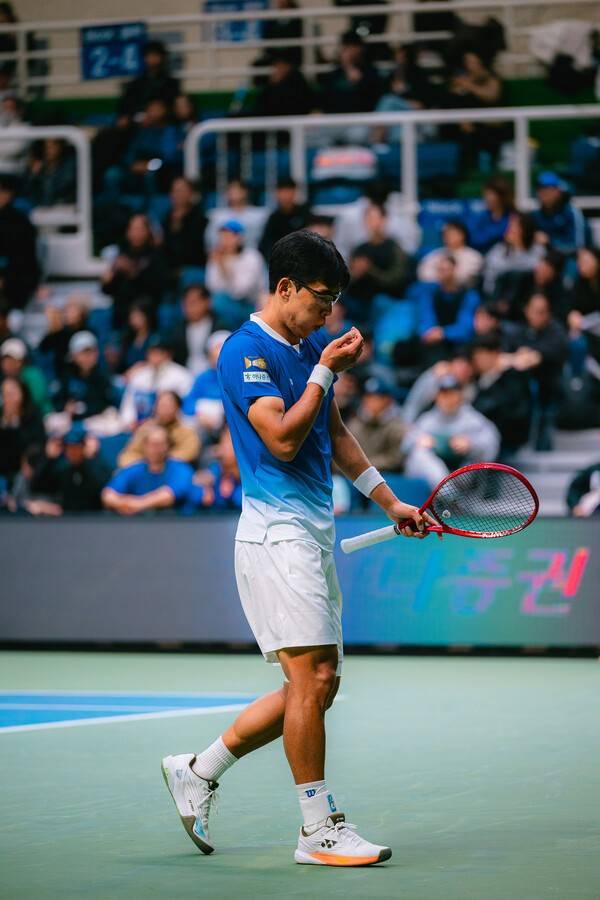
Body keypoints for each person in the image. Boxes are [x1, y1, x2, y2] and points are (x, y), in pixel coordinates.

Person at [160, 230, 433, 867]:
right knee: (310, 679)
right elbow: (282, 440)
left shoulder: (311, 346)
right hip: (274, 535)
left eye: (336, 300)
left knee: (320, 683)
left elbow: (333, 433)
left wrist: (389, 500)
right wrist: (323, 370)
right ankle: (318, 828)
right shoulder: (243, 351)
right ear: (284, 288)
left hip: (314, 530)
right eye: (320, 297)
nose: (328, 313)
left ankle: (199, 770)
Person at [403, 374, 500, 488]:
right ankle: (447, 492)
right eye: (444, 394)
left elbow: (493, 446)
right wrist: (418, 441)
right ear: (437, 397)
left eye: (452, 394)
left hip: (462, 475)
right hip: (431, 475)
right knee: (419, 453)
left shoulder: (473, 419)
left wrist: (471, 444)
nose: (447, 399)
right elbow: (404, 445)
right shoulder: (427, 419)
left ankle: (446, 492)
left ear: (460, 396)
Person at [512, 292, 569, 451]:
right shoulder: (521, 330)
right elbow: (512, 350)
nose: (539, 316)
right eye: (535, 311)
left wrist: (536, 355)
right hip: (522, 387)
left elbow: (558, 350)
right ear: (527, 311)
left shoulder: (556, 330)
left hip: (549, 386)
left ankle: (542, 441)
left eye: (543, 311)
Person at [102, 424, 193, 515]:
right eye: (152, 444)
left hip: (175, 522)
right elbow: (108, 494)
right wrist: (124, 503)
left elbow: (169, 496)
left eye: (160, 444)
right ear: (144, 446)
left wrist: (138, 504)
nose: (156, 449)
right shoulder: (135, 469)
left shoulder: (180, 469)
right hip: (138, 525)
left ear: (168, 446)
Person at [101, 213, 170, 328]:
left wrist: (133, 272)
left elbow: (159, 287)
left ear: (148, 231)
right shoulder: (122, 255)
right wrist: (107, 280)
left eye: (139, 228)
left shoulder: (157, 255)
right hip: (121, 314)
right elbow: (107, 290)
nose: (135, 232)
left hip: (146, 313)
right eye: (132, 228)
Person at [345, 204, 411, 322]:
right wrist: (355, 274)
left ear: (384, 220)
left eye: (376, 218)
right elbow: (346, 282)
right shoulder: (359, 248)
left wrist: (369, 270)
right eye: (369, 218)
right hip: (359, 299)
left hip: (386, 300)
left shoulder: (394, 248)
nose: (372, 222)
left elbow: (396, 281)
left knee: (379, 302)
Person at [469, 334, 531, 455]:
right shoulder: (480, 379)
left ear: (495, 354)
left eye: (480, 355)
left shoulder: (512, 377)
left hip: (506, 438)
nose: (477, 360)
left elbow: (515, 413)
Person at [413, 255, 480, 366]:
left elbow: (466, 327)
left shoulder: (468, 295)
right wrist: (429, 332)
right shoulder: (430, 292)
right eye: (439, 270)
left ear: (454, 270)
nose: (442, 273)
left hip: (456, 343)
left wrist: (444, 333)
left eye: (445, 270)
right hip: (432, 340)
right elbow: (425, 317)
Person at [32, 424, 111, 513]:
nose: (73, 452)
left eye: (76, 448)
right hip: (67, 518)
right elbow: (38, 486)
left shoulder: (93, 466)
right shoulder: (62, 469)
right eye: (69, 448)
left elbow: (105, 486)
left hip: (93, 517)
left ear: (83, 448)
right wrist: (48, 459)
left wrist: (94, 457)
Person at [333, 183, 422, 262]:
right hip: (355, 266)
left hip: (390, 265)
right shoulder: (349, 216)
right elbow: (340, 248)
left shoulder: (400, 216)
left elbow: (410, 248)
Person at [119, 335, 192, 428]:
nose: (155, 357)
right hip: (139, 427)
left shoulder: (182, 376)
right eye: (152, 352)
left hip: (171, 426)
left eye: (160, 353)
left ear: (169, 354)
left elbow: (186, 409)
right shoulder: (139, 376)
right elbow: (128, 405)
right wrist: (129, 422)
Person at [205, 221, 266, 330]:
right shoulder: (217, 257)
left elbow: (241, 292)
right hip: (228, 305)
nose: (225, 241)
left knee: (220, 301)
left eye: (229, 237)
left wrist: (223, 267)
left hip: (253, 305)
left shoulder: (252, 256)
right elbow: (211, 286)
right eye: (222, 237)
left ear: (240, 238)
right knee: (216, 301)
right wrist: (219, 264)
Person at [118, 390, 200, 468]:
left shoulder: (186, 431)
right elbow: (128, 455)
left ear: (177, 408)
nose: (164, 410)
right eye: (161, 405)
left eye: (168, 406)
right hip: (144, 472)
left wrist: (159, 461)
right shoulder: (146, 428)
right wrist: (145, 464)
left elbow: (188, 452)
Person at [482, 212, 545, 307]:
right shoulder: (499, 249)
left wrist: (519, 249)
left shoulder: (538, 249)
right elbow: (491, 274)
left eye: (514, 226)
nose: (509, 229)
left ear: (525, 228)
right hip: (496, 297)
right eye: (509, 226)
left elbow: (537, 271)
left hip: (525, 299)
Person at [347, 377, 406, 472]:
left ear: (388, 400)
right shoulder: (354, 424)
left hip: (388, 475)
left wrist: (366, 465)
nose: (371, 402)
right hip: (356, 474)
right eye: (368, 397)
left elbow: (395, 459)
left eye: (377, 398)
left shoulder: (397, 426)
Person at [54, 331, 114, 420]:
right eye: (84, 353)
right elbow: (57, 400)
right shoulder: (66, 375)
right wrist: (65, 406)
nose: (88, 357)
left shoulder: (102, 376)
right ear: (74, 355)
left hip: (95, 420)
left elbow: (104, 403)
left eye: (91, 352)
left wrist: (82, 409)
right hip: (69, 419)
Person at [0, 174, 39, 309]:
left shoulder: (20, 223)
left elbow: (25, 260)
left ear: (8, 194)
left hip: (15, 281)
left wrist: (5, 279)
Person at [182, 330, 231, 436]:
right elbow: (187, 404)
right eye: (214, 352)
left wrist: (218, 413)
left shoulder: (237, 377)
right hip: (202, 424)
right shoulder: (203, 378)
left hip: (228, 426)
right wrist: (200, 414)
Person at [320, 31, 382, 115]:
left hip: (361, 119)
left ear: (360, 48)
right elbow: (325, 100)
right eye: (345, 47)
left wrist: (356, 76)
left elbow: (372, 99)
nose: (349, 51)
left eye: (352, 47)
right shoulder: (334, 75)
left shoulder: (370, 72)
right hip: (335, 119)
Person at [0, 376, 45, 487]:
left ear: (22, 393)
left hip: (26, 466)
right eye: (4, 394)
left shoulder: (33, 414)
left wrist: (15, 422)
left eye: (11, 393)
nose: (7, 398)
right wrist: (6, 422)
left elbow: (37, 442)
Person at [532, 172, 590, 257]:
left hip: (572, 260)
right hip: (548, 260)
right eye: (540, 190)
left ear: (558, 192)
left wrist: (550, 241)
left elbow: (579, 246)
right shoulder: (536, 215)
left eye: (548, 190)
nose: (544, 194)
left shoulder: (572, 213)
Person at [119, 40, 180, 119]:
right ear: (144, 58)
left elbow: (174, 107)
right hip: (138, 122)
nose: (152, 58)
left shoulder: (171, 83)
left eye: (155, 55)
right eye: (149, 55)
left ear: (162, 57)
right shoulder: (136, 84)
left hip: (164, 122)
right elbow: (126, 107)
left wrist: (160, 111)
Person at [205, 180, 268, 252]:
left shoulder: (260, 214)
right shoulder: (216, 215)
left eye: (236, 189)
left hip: (251, 256)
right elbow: (211, 241)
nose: (232, 192)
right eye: (229, 189)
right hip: (224, 256)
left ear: (245, 192)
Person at [161, 176, 208, 273]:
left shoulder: (200, 219)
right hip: (167, 269)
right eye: (174, 190)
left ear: (191, 193)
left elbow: (196, 250)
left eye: (181, 190)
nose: (177, 194)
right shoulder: (165, 218)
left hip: (192, 268)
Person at [417, 220, 483, 288]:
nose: (448, 236)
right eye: (446, 234)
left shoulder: (474, 256)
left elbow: (467, 277)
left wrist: (448, 278)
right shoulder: (435, 254)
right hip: (434, 290)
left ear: (463, 235)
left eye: (452, 233)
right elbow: (423, 273)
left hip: (461, 292)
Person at [190, 427, 242, 510]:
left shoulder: (247, 474)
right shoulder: (215, 468)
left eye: (231, 444)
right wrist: (206, 488)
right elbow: (197, 481)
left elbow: (239, 500)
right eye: (223, 442)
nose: (225, 448)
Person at [258, 178, 310, 261]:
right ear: (277, 194)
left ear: (294, 192)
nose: (285, 195)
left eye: (288, 191)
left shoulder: (305, 213)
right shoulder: (273, 218)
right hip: (281, 262)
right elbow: (264, 245)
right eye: (282, 191)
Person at [251, 51, 315, 118]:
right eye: (275, 65)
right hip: (273, 120)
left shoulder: (297, 83)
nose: (276, 69)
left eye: (280, 65)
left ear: (288, 66)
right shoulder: (273, 84)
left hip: (287, 120)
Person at [170, 284, 216, 373]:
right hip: (185, 374)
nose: (189, 308)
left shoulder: (220, 325)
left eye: (193, 303)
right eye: (186, 303)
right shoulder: (177, 329)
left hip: (213, 374)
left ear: (207, 302)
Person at [1, 337, 51, 414]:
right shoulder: (3, 378)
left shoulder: (32, 374)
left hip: (41, 415)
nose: (8, 364)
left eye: (12, 360)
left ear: (21, 361)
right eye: (5, 360)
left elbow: (37, 399)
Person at [468, 176, 514, 254]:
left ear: (502, 196)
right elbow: (474, 239)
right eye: (485, 194)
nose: (486, 198)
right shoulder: (480, 218)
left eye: (490, 194)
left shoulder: (514, 218)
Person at [24, 138, 76, 207]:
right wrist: (33, 175)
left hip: (66, 205)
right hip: (42, 208)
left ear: (59, 147)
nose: (46, 151)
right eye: (44, 147)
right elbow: (27, 193)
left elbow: (57, 193)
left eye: (50, 147)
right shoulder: (37, 165)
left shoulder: (69, 164)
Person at [0, 95, 29, 176]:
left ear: (19, 110)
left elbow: (14, 151)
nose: (6, 111)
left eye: (10, 108)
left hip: (13, 172)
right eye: (4, 108)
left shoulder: (25, 128)